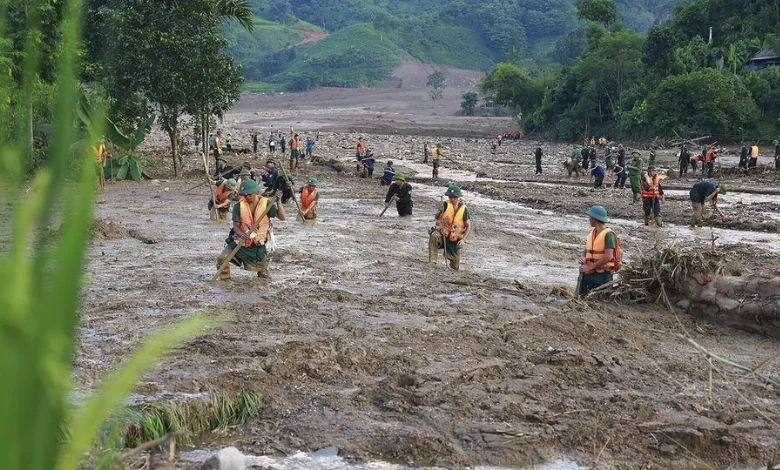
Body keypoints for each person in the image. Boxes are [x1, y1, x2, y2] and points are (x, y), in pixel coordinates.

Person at [215, 179, 286, 280]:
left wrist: (279, 202)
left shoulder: (266, 204)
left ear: (256, 193)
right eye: (244, 195)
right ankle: (224, 279)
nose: (247, 197)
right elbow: (235, 225)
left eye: (249, 195)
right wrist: (241, 234)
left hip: (257, 245)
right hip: (241, 241)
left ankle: (263, 286)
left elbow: (282, 217)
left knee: (263, 273)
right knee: (223, 258)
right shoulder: (239, 206)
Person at [429, 184, 471, 271]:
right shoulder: (444, 205)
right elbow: (436, 217)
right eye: (450, 197)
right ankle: (432, 262)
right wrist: (440, 210)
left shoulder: (464, 209)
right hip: (442, 236)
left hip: (454, 239)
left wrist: (463, 240)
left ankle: (454, 266)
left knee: (455, 268)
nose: (452, 199)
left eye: (454, 197)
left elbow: (468, 226)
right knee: (434, 235)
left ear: (458, 197)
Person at [579, 205, 618, 296]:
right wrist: (583, 257)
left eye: (590, 218)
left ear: (595, 219)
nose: (589, 220)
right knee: (582, 298)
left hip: (602, 277)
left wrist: (590, 267)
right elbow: (587, 249)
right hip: (588, 274)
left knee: (600, 300)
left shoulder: (608, 235)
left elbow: (608, 256)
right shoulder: (592, 233)